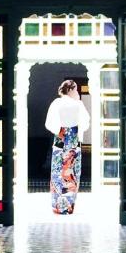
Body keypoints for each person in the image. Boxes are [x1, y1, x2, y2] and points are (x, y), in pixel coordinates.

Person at [44, 79, 90, 214]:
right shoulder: (78, 104)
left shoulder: (56, 103)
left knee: (57, 171)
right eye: (75, 89)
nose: (77, 92)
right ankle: (69, 206)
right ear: (70, 90)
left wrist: (59, 129)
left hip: (60, 137)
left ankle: (57, 206)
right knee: (72, 172)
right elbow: (86, 123)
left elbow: (49, 123)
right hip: (73, 138)